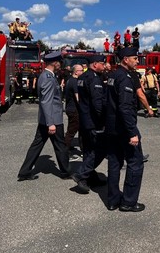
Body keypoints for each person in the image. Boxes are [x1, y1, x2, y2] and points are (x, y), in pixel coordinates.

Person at [17, 51, 71, 181]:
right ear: (55, 63)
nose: (60, 65)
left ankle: (24, 171)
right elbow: (46, 101)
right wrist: (50, 123)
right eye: (59, 62)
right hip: (52, 120)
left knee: (37, 145)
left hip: (46, 119)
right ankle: (66, 172)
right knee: (60, 146)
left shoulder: (46, 76)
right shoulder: (48, 78)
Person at [106, 46, 145, 212]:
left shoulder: (112, 75)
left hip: (112, 128)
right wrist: (132, 132)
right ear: (125, 59)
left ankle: (113, 200)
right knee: (135, 163)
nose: (137, 61)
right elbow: (125, 107)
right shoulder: (125, 77)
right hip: (123, 129)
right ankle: (128, 202)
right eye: (135, 58)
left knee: (114, 163)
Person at [71, 55, 107, 193]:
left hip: (84, 119)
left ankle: (91, 178)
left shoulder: (82, 77)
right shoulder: (94, 78)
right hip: (94, 122)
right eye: (102, 64)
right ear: (95, 64)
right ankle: (81, 175)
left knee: (87, 150)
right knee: (98, 150)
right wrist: (103, 121)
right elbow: (97, 103)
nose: (104, 66)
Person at [65, 64, 84, 160]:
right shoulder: (74, 82)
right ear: (76, 72)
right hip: (74, 110)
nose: (83, 72)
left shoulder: (70, 80)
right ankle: (65, 152)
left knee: (80, 130)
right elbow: (78, 98)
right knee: (71, 132)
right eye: (81, 70)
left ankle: (83, 149)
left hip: (70, 109)